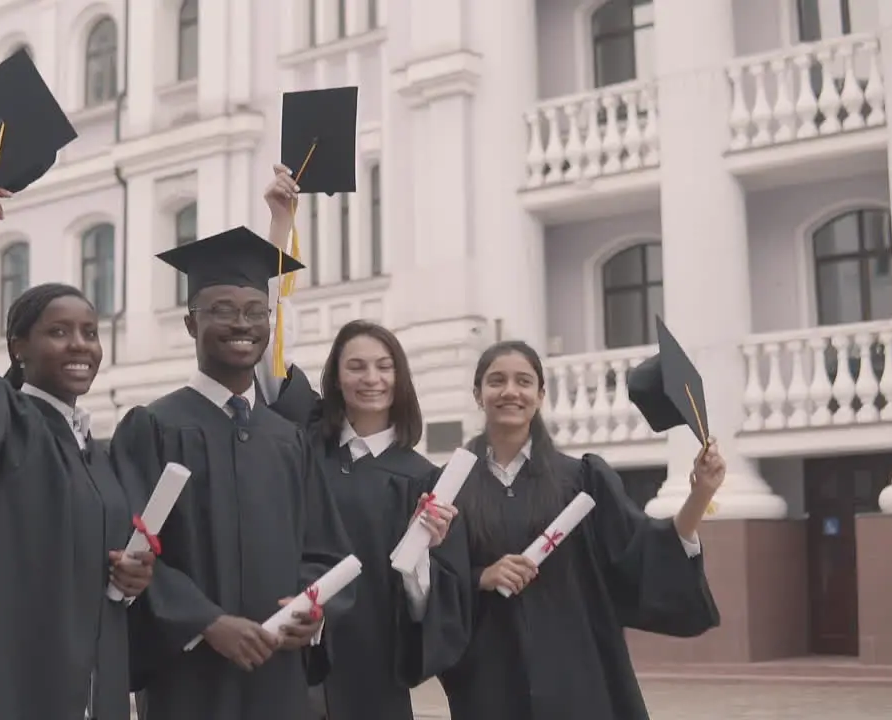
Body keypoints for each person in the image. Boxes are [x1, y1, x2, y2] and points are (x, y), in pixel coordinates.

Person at [0, 176, 154, 720]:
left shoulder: (96, 453)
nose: (81, 344)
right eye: (59, 332)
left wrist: (132, 582)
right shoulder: (3, 423)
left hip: (96, 686)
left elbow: (102, 572)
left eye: (89, 331)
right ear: (19, 347)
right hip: (17, 682)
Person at [110, 226, 354, 720]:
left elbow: (325, 549)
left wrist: (312, 609)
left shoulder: (287, 439)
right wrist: (206, 622)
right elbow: (128, 551)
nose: (241, 323)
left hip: (277, 675)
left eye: (255, 311)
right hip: (189, 679)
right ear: (189, 323)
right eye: (221, 309)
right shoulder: (152, 427)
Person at [257, 166, 471, 720]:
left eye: (382, 366)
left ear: (399, 378)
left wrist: (422, 554)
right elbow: (267, 344)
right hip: (295, 656)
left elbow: (432, 605)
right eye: (355, 366)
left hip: (374, 672)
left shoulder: (423, 481)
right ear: (335, 377)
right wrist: (280, 225)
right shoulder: (304, 442)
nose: (370, 377)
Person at [438, 341, 722, 719]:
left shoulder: (581, 480)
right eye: (496, 381)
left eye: (523, 381)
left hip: (575, 671)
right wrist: (480, 577)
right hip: (490, 676)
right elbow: (430, 582)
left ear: (540, 395)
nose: (510, 391)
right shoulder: (450, 485)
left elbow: (642, 550)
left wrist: (701, 493)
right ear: (478, 394)